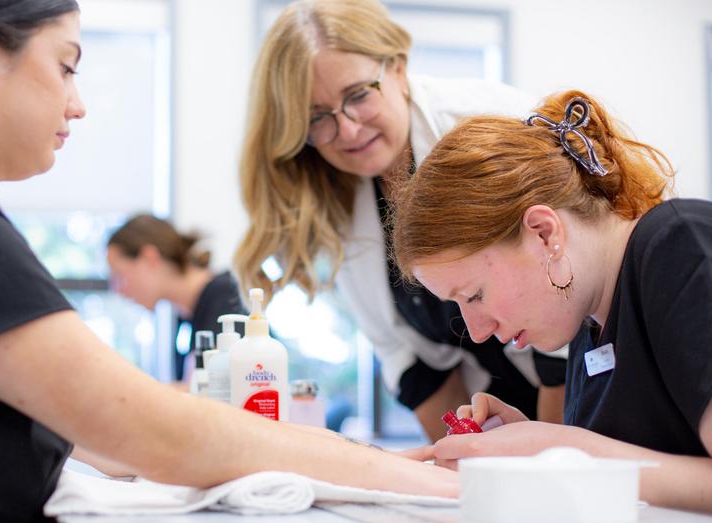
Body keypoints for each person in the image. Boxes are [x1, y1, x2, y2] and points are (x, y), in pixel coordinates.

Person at [0, 1, 457, 523]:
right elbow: (153, 433)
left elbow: (101, 430)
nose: (77, 104)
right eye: (66, 66)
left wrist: (376, 467)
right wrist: (402, 473)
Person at [390, 89, 712, 519]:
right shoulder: (588, 328)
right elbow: (653, 475)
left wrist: (560, 446)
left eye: (475, 295)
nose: (477, 332)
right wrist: (537, 453)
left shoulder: (684, 245)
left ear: (544, 232)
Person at [233, 0, 566, 442]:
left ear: (399, 69)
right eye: (317, 118)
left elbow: (563, 316)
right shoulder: (336, 189)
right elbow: (413, 365)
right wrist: (456, 468)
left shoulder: (491, 123)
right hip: (503, 405)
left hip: (582, 389)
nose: (348, 130)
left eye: (357, 95)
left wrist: (542, 461)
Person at [106, 213, 245, 381]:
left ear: (149, 258)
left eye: (119, 276)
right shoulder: (185, 315)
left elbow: (208, 388)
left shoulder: (224, 297)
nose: (119, 290)